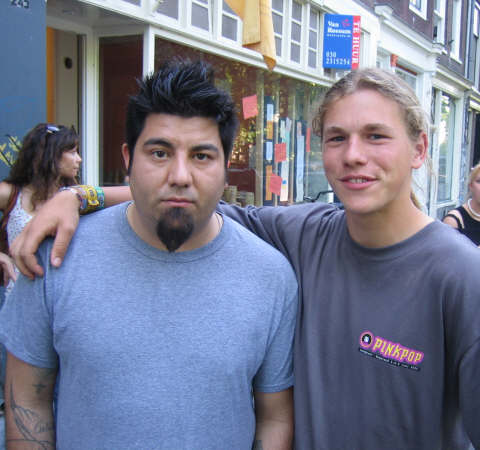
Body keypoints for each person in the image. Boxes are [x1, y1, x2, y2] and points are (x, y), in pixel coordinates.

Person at [10, 68, 480, 448]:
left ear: (420, 149)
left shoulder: (465, 276)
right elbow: (192, 200)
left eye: (376, 136)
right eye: (337, 138)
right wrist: (79, 197)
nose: (354, 155)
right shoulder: (304, 233)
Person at [0, 59, 296, 448]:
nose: (180, 176)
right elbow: (27, 401)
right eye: (159, 153)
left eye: (202, 156)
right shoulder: (55, 257)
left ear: (226, 168)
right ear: (128, 160)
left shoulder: (270, 276)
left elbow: (275, 418)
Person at [0, 123, 81, 293]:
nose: (79, 159)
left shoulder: (76, 197)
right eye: (73, 152)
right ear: (51, 154)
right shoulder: (11, 193)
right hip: (20, 298)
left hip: (64, 298)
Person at [442, 160, 480, 259]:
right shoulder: (454, 220)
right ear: (471, 186)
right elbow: (443, 261)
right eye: (479, 181)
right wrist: (475, 255)